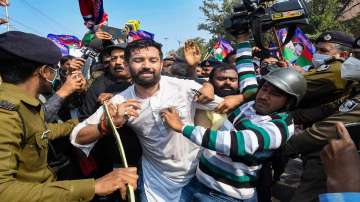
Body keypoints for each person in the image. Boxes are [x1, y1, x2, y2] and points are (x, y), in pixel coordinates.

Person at [70, 39, 220, 202]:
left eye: (153, 60)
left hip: (198, 178)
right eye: (138, 60)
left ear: (161, 64)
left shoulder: (183, 87)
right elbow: (77, 137)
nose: (147, 65)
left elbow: (224, 105)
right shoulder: (120, 101)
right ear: (128, 65)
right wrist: (108, 124)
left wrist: (214, 87)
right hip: (155, 184)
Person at [0, 31, 137, 202]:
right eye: (54, 70)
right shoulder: (6, 113)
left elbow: (42, 131)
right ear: (44, 72)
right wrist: (94, 186)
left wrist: (91, 120)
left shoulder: (23, 105)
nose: (57, 74)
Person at [161, 68, 307, 201]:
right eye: (264, 89)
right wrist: (242, 39)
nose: (264, 96)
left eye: (274, 94)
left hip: (224, 196)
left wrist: (182, 127)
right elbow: (247, 72)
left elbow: (236, 143)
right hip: (197, 182)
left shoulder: (280, 127)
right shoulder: (251, 103)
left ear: (289, 102)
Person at [285, 36, 360, 202]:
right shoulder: (356, 85)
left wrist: (281, 147)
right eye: (354, 55)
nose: (351, 61)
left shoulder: (337, 72)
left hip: (339, 161)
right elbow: (329, 108)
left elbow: (328, 129)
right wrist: (289, 117)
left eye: (358, 57)